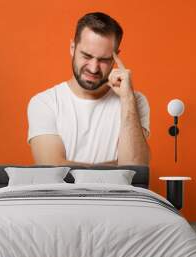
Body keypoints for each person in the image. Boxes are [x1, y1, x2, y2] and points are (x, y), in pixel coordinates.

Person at [27, 12, 150, 166]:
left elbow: (136, 169)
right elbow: (52, 169)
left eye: (104, 60)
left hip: (120, 192)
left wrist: (127, 99)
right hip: (65, 192)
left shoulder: (134, 101)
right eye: (86, 56)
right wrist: (116, 167)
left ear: (115, 57)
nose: (93, 68)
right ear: (72, 48)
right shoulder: (45, 102)